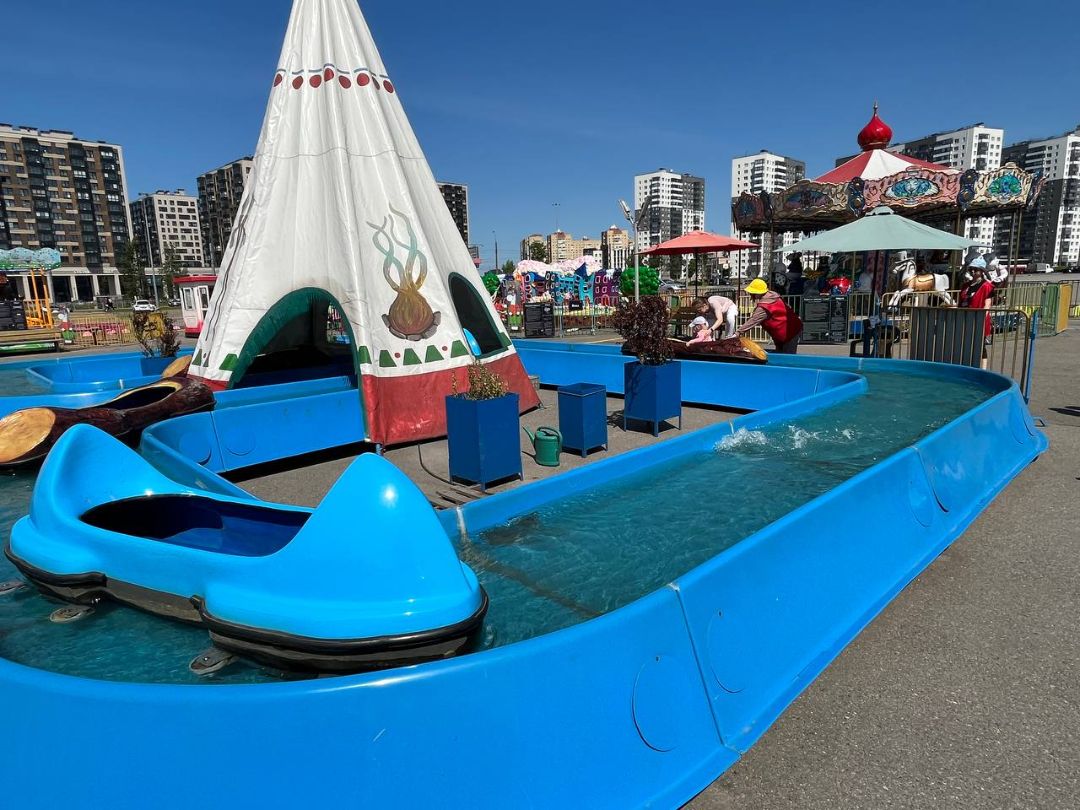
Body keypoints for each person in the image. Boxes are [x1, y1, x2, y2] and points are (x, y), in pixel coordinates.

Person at [737, 278, 803, 354]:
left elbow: (753, 321)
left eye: (752, 293)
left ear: (758, 292)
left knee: (787, 356)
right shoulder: (773, 296)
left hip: (789, 332)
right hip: (788, 329)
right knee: (781, 353)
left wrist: (738, 332)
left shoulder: (765, 306)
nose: (750, 294)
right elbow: (788, 307)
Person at [956, 258, 995, 339]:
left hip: (978, 320)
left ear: (982, 271)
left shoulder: (987, 286)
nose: (973, 271)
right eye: (971, 269)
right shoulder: (965, 285)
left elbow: (987, 305)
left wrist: (981, 319)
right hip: (964, 319)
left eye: (976, 269)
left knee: (978, 343)